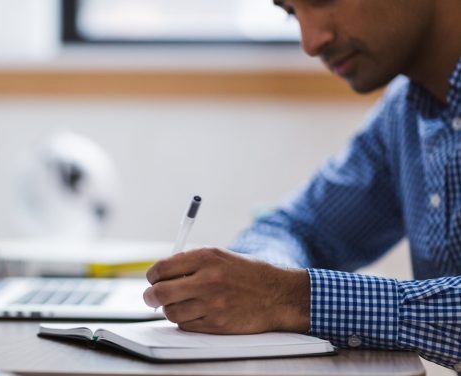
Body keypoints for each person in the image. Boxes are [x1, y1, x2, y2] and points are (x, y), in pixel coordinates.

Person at [142, 0, 461, 371]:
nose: (310, 43)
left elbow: (286, 292)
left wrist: (291, 298)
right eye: (292, 13)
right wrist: (255, 285)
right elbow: (297, 227)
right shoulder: (404, 113)